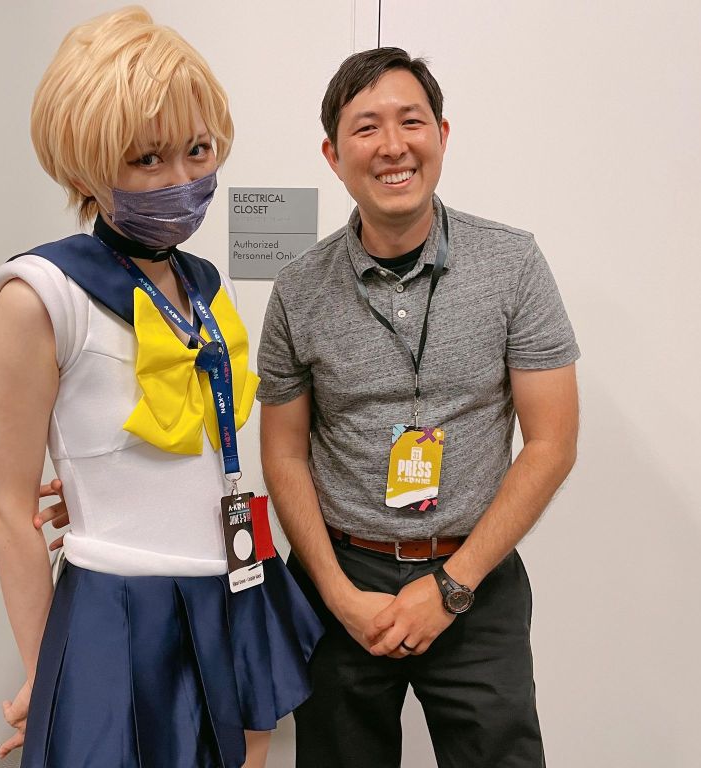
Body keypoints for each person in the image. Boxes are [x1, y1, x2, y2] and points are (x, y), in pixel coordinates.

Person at [0, 8, 321, 767]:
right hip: (121, 603)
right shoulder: (38, 294)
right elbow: (6, 504)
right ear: (85, 170)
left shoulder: (203, 283)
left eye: (198, 149)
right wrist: (46, 670)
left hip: (235, 580)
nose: (182, 179)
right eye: (147, 158)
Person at [257, 47, 580, 767]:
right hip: (342, 582)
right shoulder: (299, 290)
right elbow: (282, 452)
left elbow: (552, 443)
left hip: (477, 580)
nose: (393, 145)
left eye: (411, 121)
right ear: (333, 154)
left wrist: (452, 587)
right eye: (366, 127)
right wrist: (338, 595)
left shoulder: (513, 264)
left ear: (442, 134)